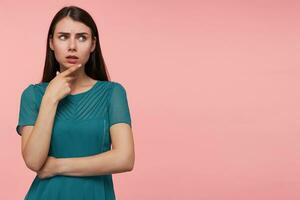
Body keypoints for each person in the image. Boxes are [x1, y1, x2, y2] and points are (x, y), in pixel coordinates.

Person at [16, 5, 135, 199]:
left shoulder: (112, 93)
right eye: (63, 37)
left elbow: (125, 158)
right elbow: (33, 161)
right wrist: (50, 99)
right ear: (51, 43)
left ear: (93, 44)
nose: (72, 46)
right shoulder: (33, 95)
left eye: (82, 37)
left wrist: (57, 166)